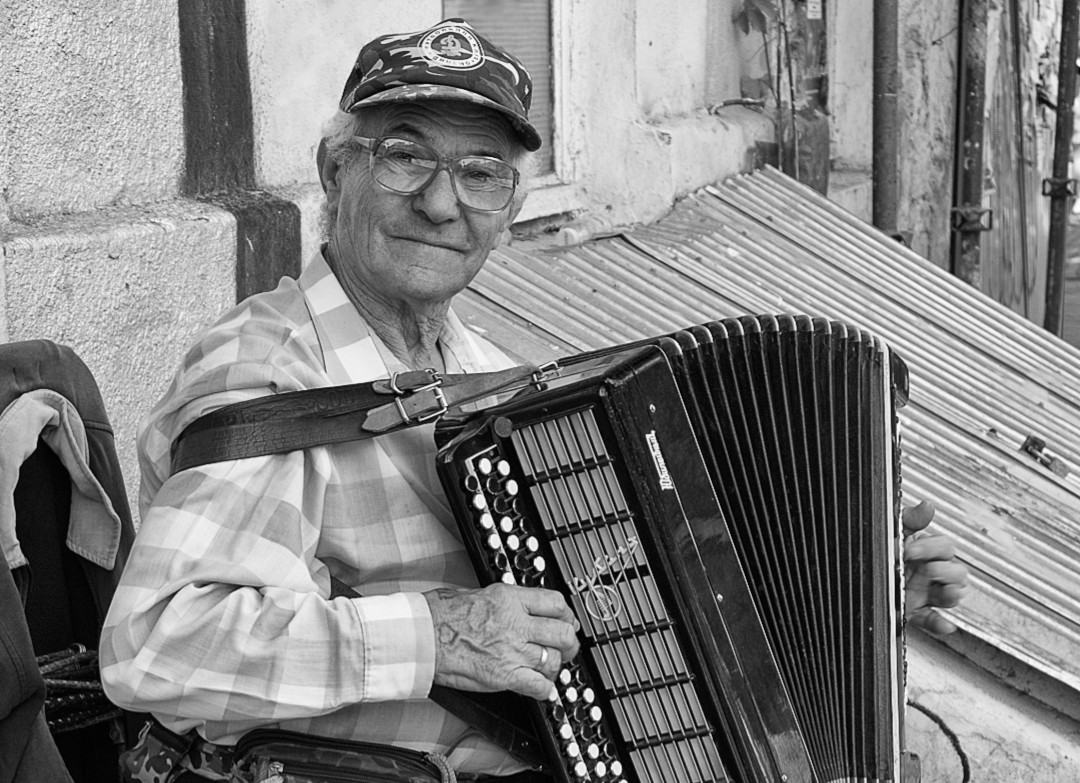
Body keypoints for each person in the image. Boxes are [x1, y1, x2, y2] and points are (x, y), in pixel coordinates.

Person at [100, 17, 968, 782]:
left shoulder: (493, 374)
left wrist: (848, 595)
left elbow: (616, 604)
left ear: (511, 205)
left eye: (482, 174)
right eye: (405, 154)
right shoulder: (268, 366)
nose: (442, 202)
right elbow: (157, 643)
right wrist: (440, 634)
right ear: (336, 169)